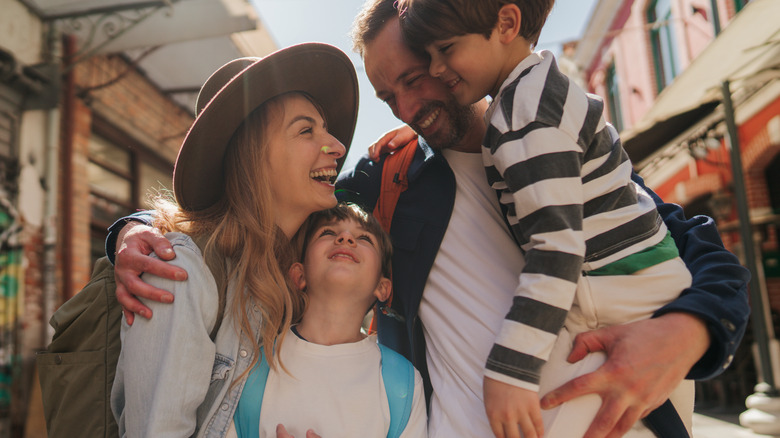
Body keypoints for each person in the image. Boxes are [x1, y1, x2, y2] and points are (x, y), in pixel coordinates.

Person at [107, 1, 750, 437]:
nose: (409, 106)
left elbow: (690, 243)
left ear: (450, 52)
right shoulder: (389, 179)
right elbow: (261, 195)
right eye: (390, 96)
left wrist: (689, 333)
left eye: (418, 77)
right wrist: (135, 231)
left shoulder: (553, 142)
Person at [394, 0, 697, 435]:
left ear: (507, 23)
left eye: (446, 49)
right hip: (639, 279)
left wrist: (509, 370)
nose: (438, 68)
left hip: (616, 287)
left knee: (541, 398)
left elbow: (556, 247)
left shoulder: (523, 115)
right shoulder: (543, 85)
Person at [110, 43, 362, 437]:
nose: (339, 147)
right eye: (306, 130)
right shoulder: (179, 270)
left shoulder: (297, 275)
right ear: (253, 154)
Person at [232, 202, 427, 438]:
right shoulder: (252, 364)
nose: (345, 238)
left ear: (382, 288)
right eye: (328, 233)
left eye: (364, 238)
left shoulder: (402, 383)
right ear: (299, 275)